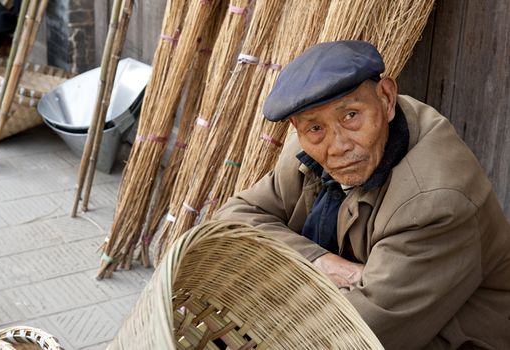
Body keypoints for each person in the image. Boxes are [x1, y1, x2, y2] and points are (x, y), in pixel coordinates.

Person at [214, 40, 510, 349]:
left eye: (351, 116)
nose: (338, 145)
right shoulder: (309, 151)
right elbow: (231, 222)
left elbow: (354, 337)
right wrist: (319, 261)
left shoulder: (434, 201)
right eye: (315, 128)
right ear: (297, 128)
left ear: (386, 97)